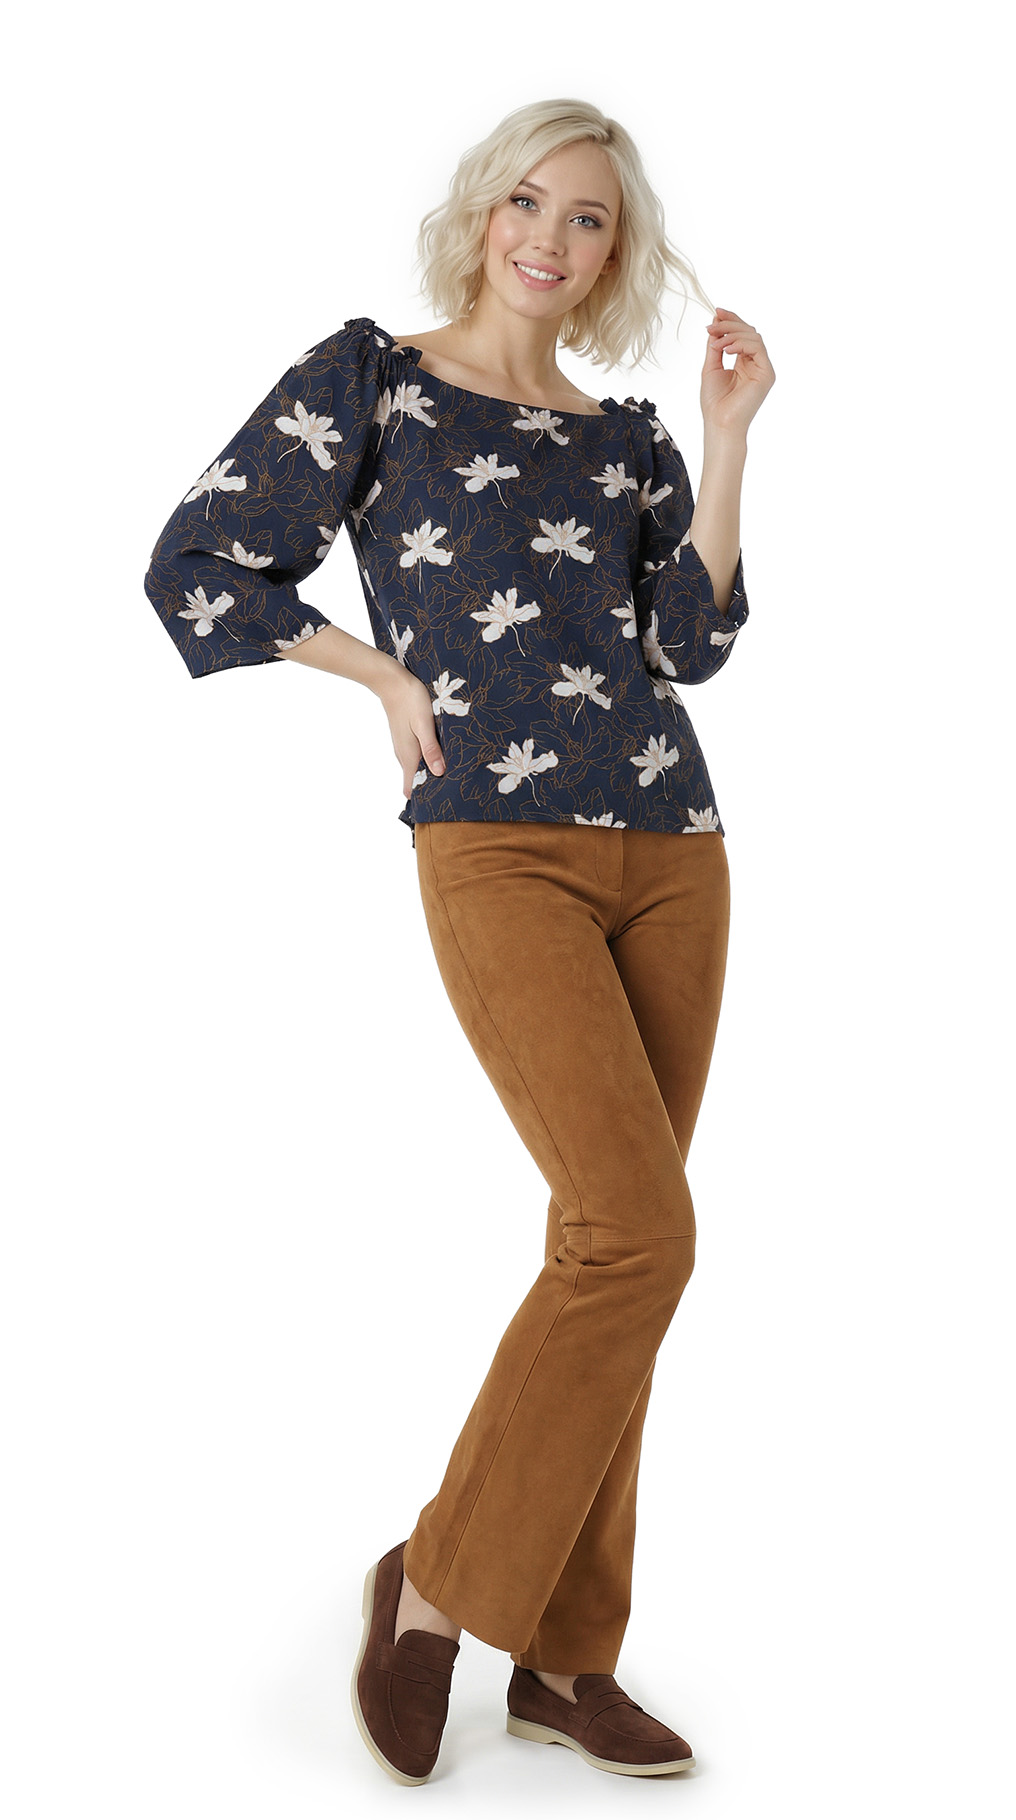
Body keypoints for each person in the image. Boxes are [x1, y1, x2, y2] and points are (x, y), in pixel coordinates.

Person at [144, 96, 775, 1786]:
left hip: (675, 847)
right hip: (495, 842)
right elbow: (197, 563)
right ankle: (434, 1587)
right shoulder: (376, 381)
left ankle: (567, 1660)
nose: (550, 240)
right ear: (483, 212)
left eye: (588, 220)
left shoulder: (627, 437)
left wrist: (726, 441)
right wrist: (380, 674)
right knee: (637, 1234)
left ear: (614, 254)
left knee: (621, 1252)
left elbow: (692, 643)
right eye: (529, 204)